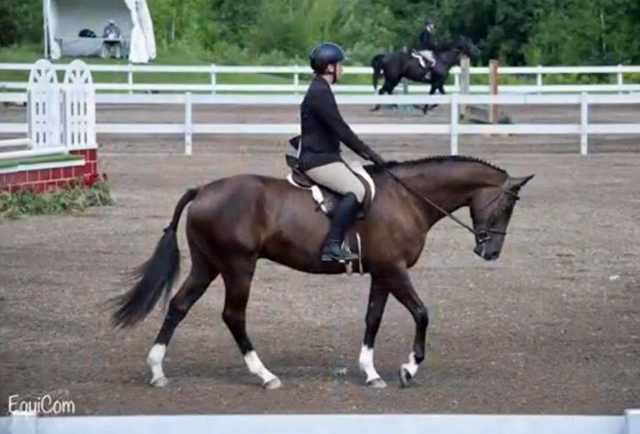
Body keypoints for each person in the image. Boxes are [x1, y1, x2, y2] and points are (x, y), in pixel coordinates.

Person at [299, 42, 386, 263]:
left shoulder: (320, 88)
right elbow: (340, 128)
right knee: (356, 190)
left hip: (325, 156)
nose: (342, 69)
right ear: (329, 67)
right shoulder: (320, 92)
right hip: (318, 160)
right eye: (339, 65)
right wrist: (368, 153)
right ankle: (332, 245)